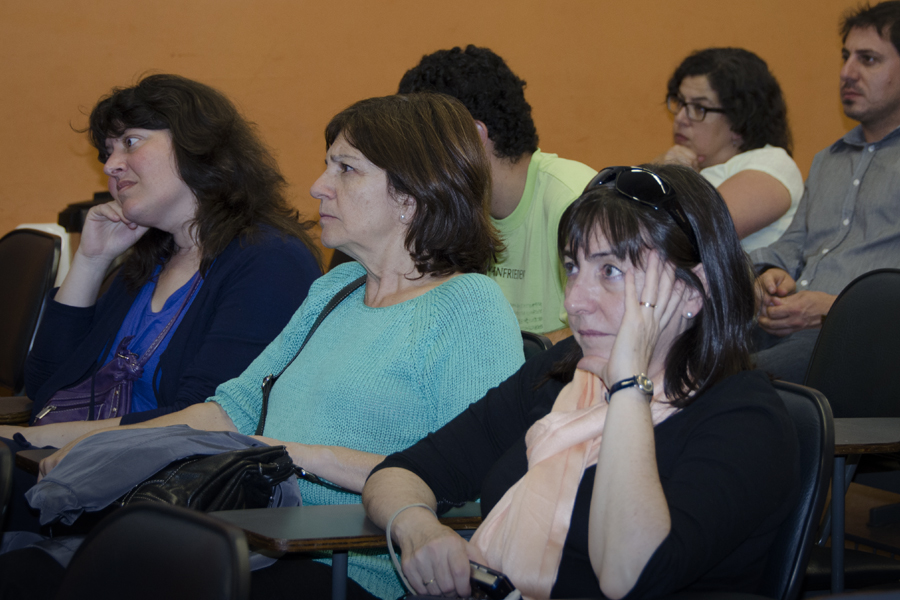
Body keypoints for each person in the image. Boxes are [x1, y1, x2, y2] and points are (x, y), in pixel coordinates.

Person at [34, 93, 524, 600]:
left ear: (409, 196)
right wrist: (103, 446)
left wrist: (296, 455)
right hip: (257, 538)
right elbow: (230, 411)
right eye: (327, 166)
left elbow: (477, 479)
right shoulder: (337, 289)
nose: (318, 186)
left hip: (350, 565)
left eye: (346, 169)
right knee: (41, 572)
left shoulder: (468, 306)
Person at [364, 164, 799, 600]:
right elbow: (402, 472)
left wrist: (629, 386)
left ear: (690, 290)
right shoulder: (565, 371)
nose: (574, 301)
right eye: (573, 267)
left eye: (610, 271)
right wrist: (419, 529)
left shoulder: (746, 419)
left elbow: (628, 577)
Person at [0, 74, 321, 530]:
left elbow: (202, 420)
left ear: (197, 146)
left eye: (130, 143)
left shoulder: (269, 261)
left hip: (156, 494)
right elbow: (47, 386)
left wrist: (29, 439)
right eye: (108, 151)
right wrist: (91, 261)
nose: (112, 165)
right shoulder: (149, 259)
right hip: (71, 467)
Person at [398, 45, 596, 340]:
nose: (413, 160)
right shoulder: (452, 210)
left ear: (473, 136)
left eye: (421, 142)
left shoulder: (575, 199)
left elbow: (604, 333)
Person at [753, 1, 900, 384]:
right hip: (785, 327)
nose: (847, 72)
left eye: (868, 59)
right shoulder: (827, 160)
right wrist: (769, 276)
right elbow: (791, 246)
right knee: (680, 348)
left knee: (729, 382)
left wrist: (834, 308)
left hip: (866, 339)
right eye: (846, 57)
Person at [657, 47, 804, 252]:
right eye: (680, 102)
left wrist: (669, 178)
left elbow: (695, 233)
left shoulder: (771, 163)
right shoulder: (688, 165)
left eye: (699, 108)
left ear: (738, 121)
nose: (681, 118)